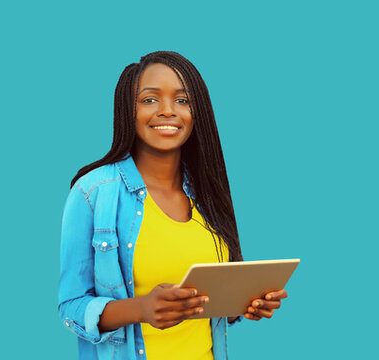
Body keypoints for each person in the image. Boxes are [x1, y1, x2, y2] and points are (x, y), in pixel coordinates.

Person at [58, 51, 288, 360]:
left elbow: (208, 305)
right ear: (128, 109)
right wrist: (140, 309)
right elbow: (71, 306)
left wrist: (246, 302)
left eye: (182, 100)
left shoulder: (207, 193)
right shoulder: (93, 192)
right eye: (149, 99)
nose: (167, 111)